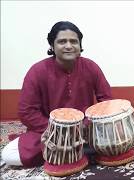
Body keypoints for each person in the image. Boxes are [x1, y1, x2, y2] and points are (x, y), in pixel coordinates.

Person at [1, 21, 112, 168]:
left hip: (85, 131)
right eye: (62, 41)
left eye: (74, 41)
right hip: (50, 132)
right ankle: (78, 152)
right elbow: (26, 111)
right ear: (52, 46)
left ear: (80, 47)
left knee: (115, 135)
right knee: (9, 154)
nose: (68, 46)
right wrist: (57, 131)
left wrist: (88, 125)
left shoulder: (91, 67)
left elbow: (107, 101)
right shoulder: (37, 71)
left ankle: (67, 153)